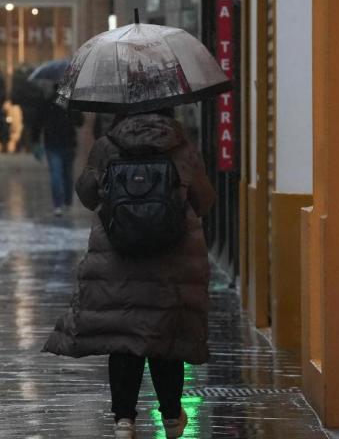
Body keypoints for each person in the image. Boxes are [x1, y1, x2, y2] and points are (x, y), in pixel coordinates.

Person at [42, 108, 215, 439]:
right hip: (170, 260)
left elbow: (86, 194)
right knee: (166, 338)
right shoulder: (181, 146)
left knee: (123, 338)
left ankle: (124, 420)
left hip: (117, 259)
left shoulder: (107, 146)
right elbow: (204, 200)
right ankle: (169, 416)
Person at [33, 87, 84, 217]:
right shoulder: (70, 103)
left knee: (59, 174)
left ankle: (60, 204)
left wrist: (35, 141)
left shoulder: (47, 102)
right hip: (66, 143)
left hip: (53, 143)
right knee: (66, 174)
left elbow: (37, 123)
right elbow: (80, 122)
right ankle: (65, 203)